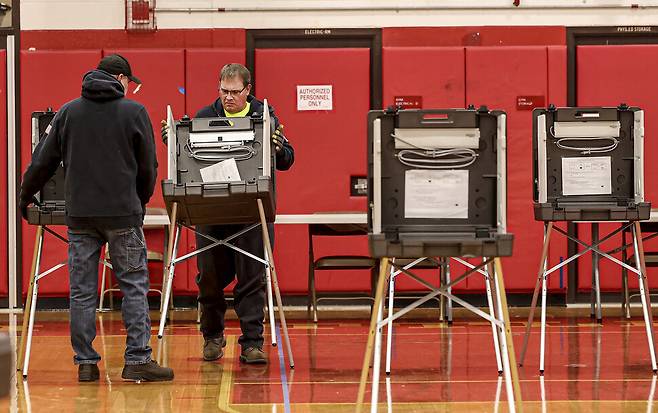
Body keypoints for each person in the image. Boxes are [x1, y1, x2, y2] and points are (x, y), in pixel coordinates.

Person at [19, 54, 174, 382]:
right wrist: (140, 202)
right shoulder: (135, 112)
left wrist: (25, 194)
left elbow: (42, 161)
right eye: (130, 82)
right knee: (132, 285)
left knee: (83, 289)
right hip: (123, 214)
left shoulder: (69, 112)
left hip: (81, 216)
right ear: (120, 79)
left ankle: (86, 363)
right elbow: (149, 167)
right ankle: (137, 360)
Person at [191, 63, 294, 364]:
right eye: (224, 91)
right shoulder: (203, 117)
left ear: (248, 90)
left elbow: (288, 160)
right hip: (210, 210)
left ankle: (252, 343)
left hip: (251, 209)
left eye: (235, 92)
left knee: (251, 278)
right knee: (209, 278)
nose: (229, 97)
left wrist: (278, 148)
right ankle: (212, 336)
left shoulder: (265, 117)